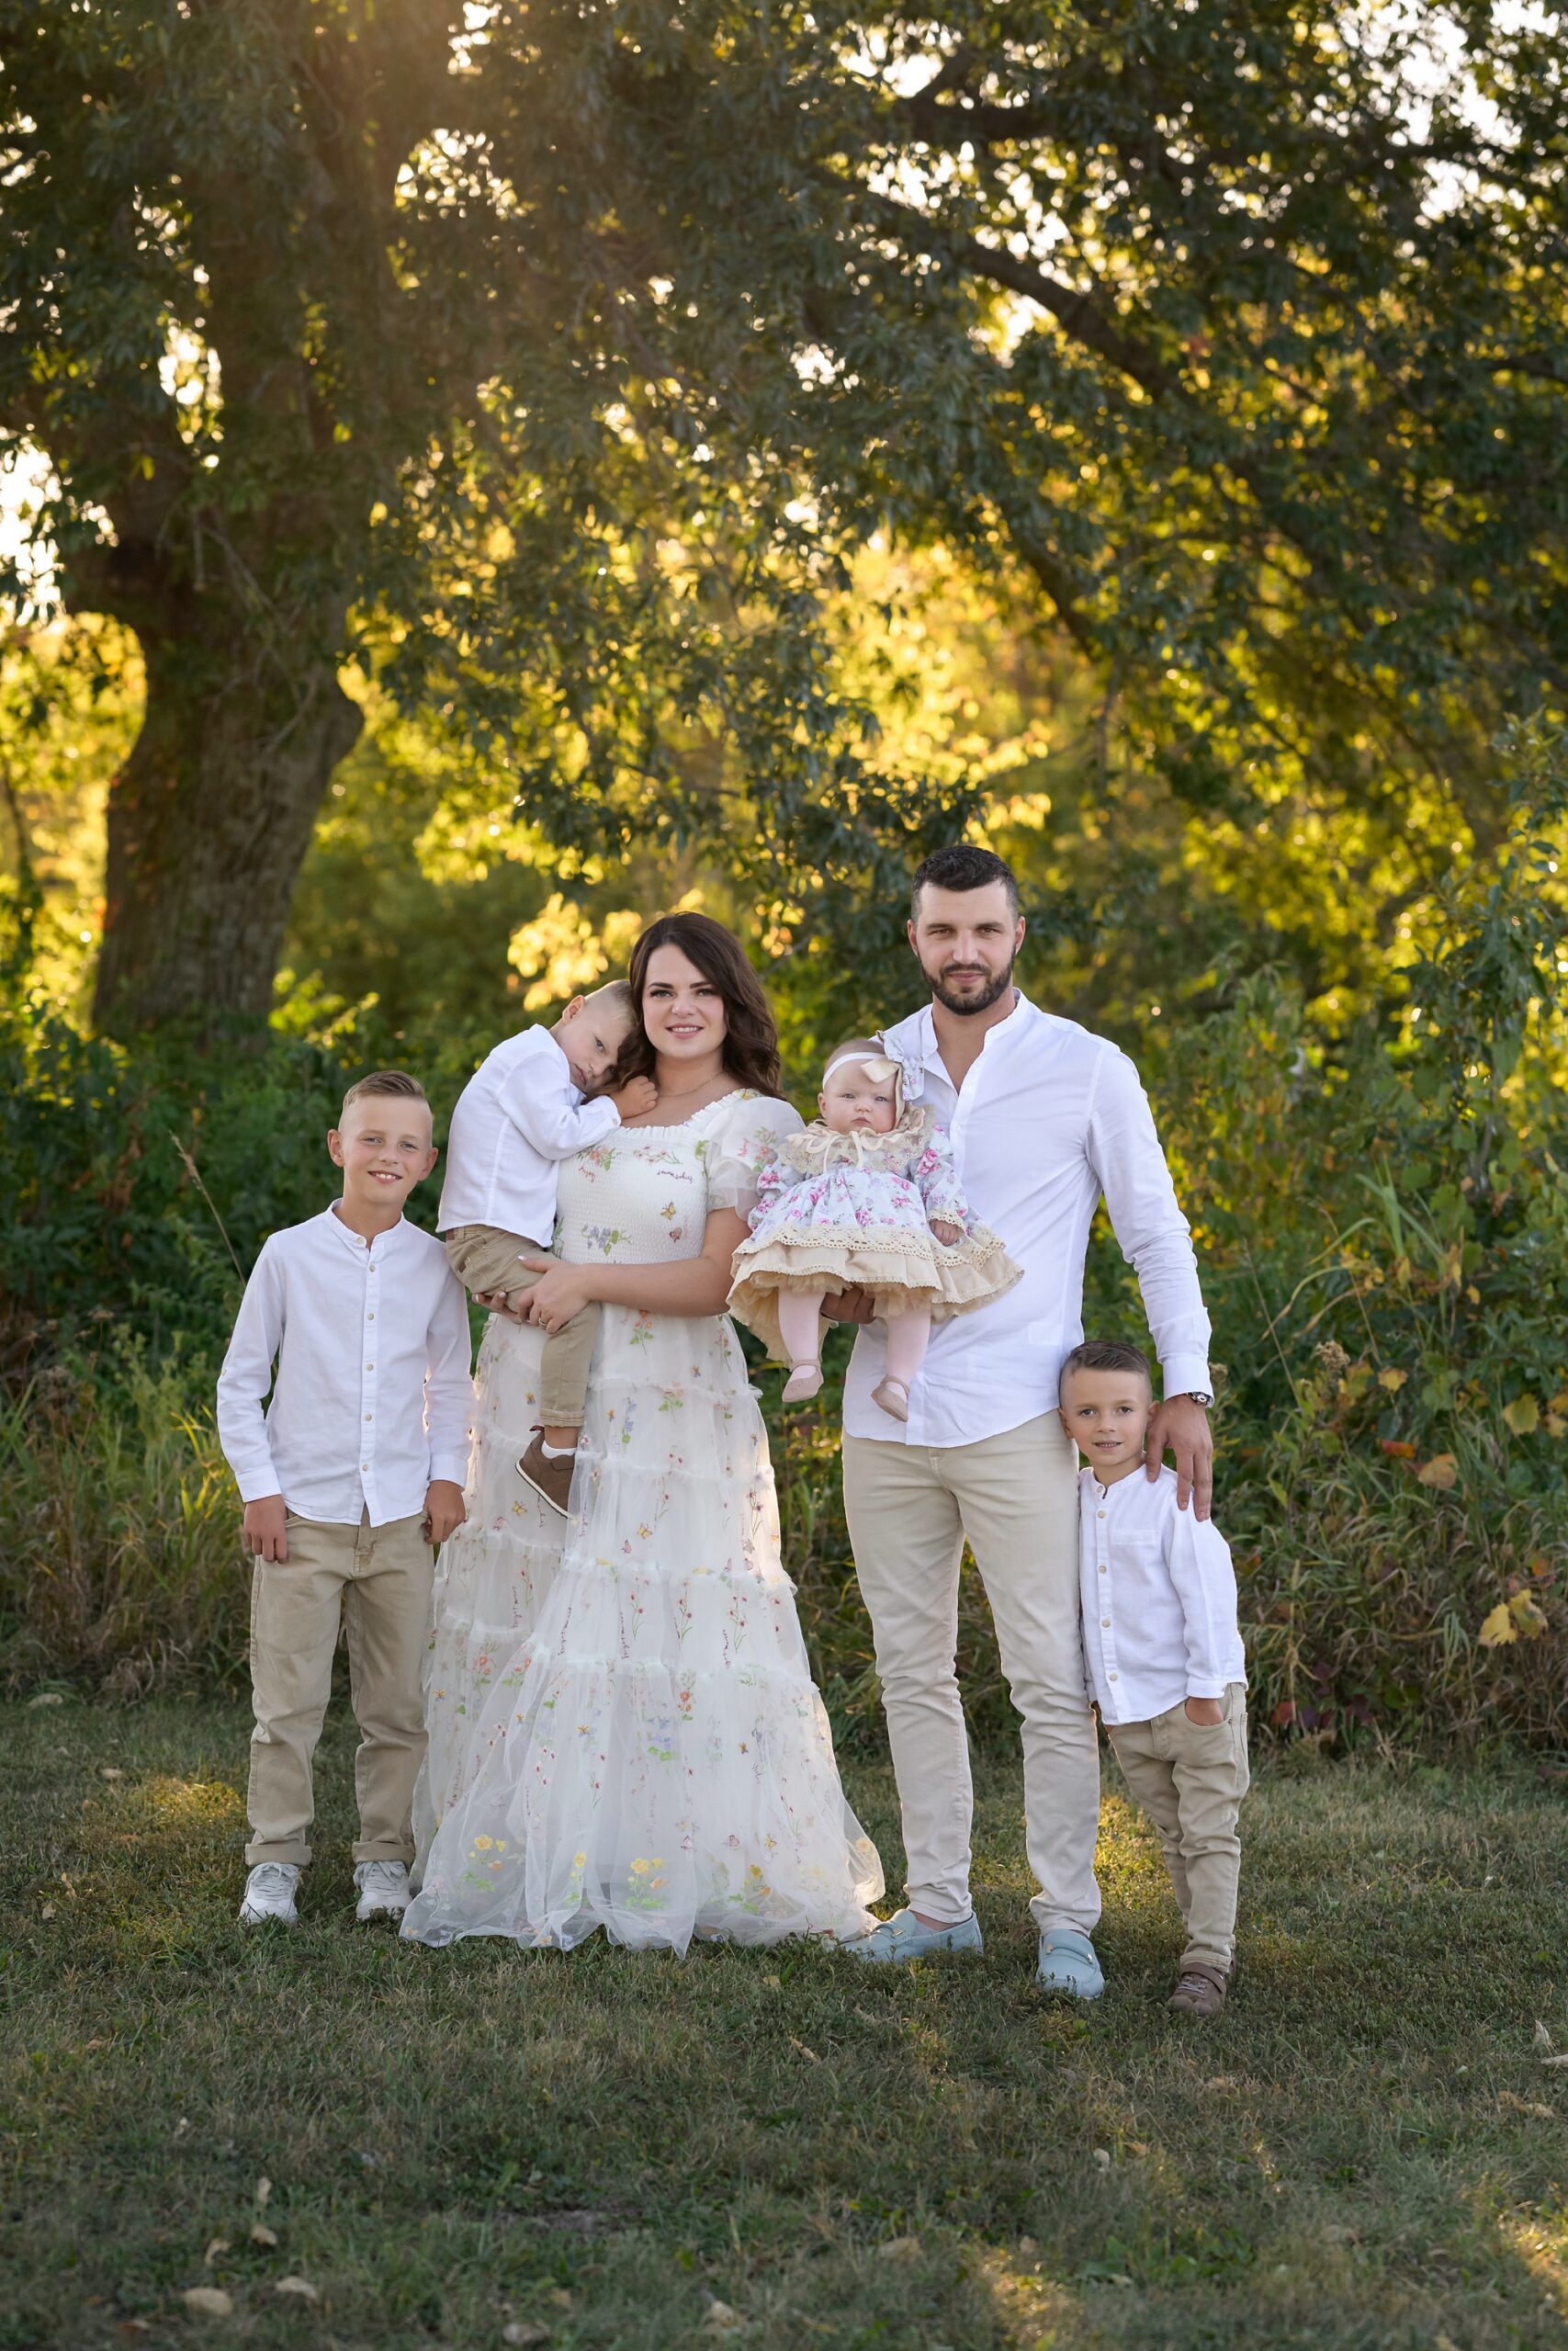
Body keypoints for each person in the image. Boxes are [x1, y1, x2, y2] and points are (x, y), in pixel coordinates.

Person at [403, 912, 881, 1953]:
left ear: (731, 1000)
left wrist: (585, 1280)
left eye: (700, 990)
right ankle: (533, 1846)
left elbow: (719, 1280)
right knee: (535, 1602)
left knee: (652, 1614)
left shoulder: (755, 1122)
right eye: (660, 989)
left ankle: (668, 1860)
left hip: (665, 1399)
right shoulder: (595, 1094)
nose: (679, 1009)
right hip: (543, 1374)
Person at [837, 843, 1214, 1998]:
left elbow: (1154, 1233)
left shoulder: (1086, 1066)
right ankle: (941, 1905)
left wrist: (1186, 1384)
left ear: (1015, 936)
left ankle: (1065, 1920)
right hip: (884, 1419)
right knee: (912, 1670)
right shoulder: (873, 1067)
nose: (965, 952)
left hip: (1019, 1416)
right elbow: (819, 1215)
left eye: (985, 932)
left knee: (1051, 1676)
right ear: (917, 940)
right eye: (943, 932)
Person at [215, 1070, 472, 1930]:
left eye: (406, 1144)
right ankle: (275, 1862)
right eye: (371, 1138)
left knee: (397, 1705)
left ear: (428, 1160)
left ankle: (383, 1860)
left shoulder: (436, 1263)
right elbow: (240, 1385)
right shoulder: (288, 1254)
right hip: (303, 1522)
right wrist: (262, 1491)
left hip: (399, 1518)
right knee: (285, 1706)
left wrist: (448, 1476)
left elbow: (452, 1381)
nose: (387, 1155)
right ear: (338, 1146)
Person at [1058, 1339, 1247, 2017]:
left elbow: (1207, 1597)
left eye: (1122, 1409)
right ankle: (1205, 1936)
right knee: (1172, 1835)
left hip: (1194, 1701)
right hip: (1125, 1710)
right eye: (1087, 1410)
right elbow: (1084, 1608)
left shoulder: (1170, 1500)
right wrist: (1092, 1692)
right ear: (1064, 1420)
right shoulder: (1069, 1501)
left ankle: (1207, 1961)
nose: (1105, 1426)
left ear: (1150, 1417)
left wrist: (1203, 1693)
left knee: (1207, 1832)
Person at [438, 979, 657, 1515]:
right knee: (575, 1312)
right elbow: (558, 1135)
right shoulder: (532, 1058)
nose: (597, 1071)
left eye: (610, 1072)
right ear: (574, 1008)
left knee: (566, 1304)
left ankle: (554, 1444)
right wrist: (618, 1106)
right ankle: (554, 1451)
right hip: (487, 1236)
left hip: (498, 1236)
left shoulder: (550, 1066)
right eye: (599, 1047)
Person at [728, 1037, 1019, 1418]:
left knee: (914, 1298)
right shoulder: (809, 1145)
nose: (864, 1105)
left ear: (900, 1107)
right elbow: (777, 1182)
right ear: (823, 1104)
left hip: (896, 1240)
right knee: (798, 1278)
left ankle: (898, 1381)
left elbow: (937, 1175)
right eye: (849, 1096)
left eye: (880, 1099)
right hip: (822, 1237)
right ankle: (804, 1362)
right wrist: (767, 1223)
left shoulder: (908, 1140)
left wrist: (945, 1213)